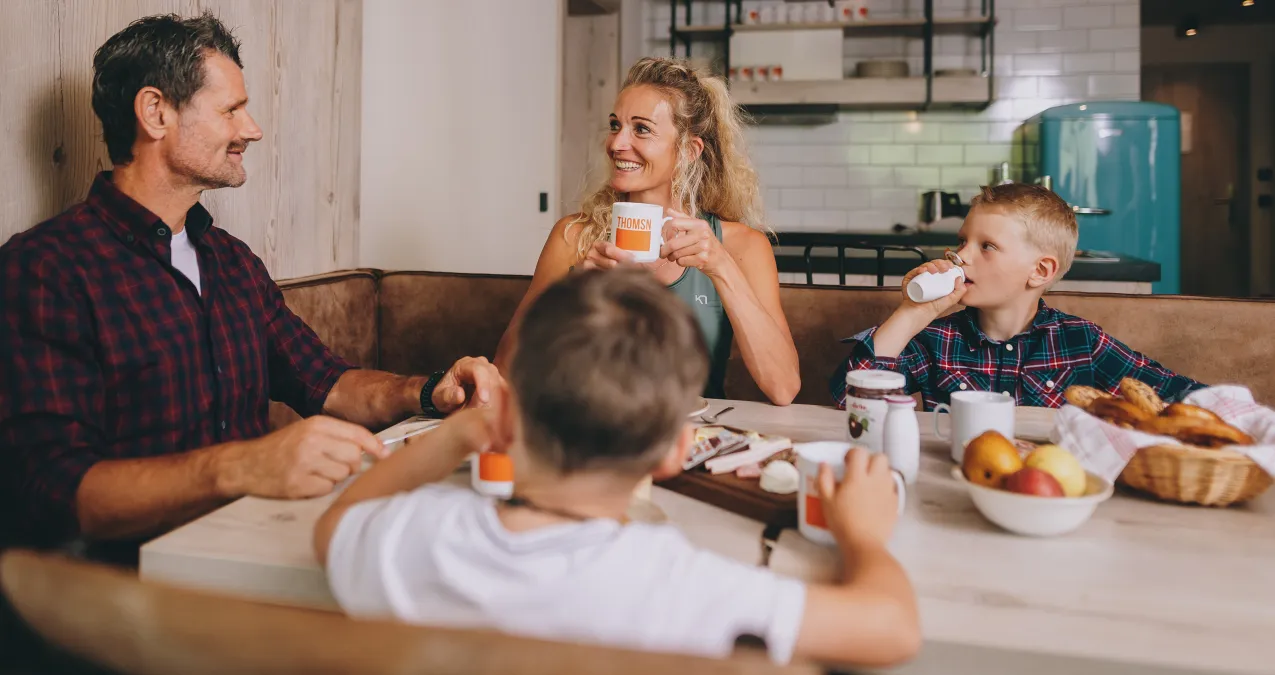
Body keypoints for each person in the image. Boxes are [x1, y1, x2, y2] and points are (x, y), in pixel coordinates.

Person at [0, 13, 502, 562]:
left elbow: (327, 382)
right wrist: (244, 466)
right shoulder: (46, 268)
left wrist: (431, 390)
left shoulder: (232, 262)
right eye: (231, 109)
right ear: (155, 112)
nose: (252, 129)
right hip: (125, 595)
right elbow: (51, 492)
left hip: (254, 551)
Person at [315, 268, 921, 668]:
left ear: (504, 424)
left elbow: (338, 521)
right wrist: (863, 537)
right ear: (676, 452)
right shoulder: (682, 586)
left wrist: (458, 436)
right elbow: (893, 629)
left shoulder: (418, 539)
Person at [493, 57, 799, 406]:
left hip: (696, 439)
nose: (616, 143)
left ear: (688, 150)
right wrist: (571, 296)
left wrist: (721, 266)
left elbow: (783, 386)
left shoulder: (743, 246)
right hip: (591, 434)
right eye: (615, 125)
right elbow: (504, 368)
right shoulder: (574, 236)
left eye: (641, 129)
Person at [830, 183, 1203, 411]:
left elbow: (1185, 395)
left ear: (1040, 271)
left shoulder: (1080, 342)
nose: (961, 256)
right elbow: (849, 400)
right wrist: (912, 314)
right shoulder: (936, 341)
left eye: (987, 246)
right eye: (963, 241)